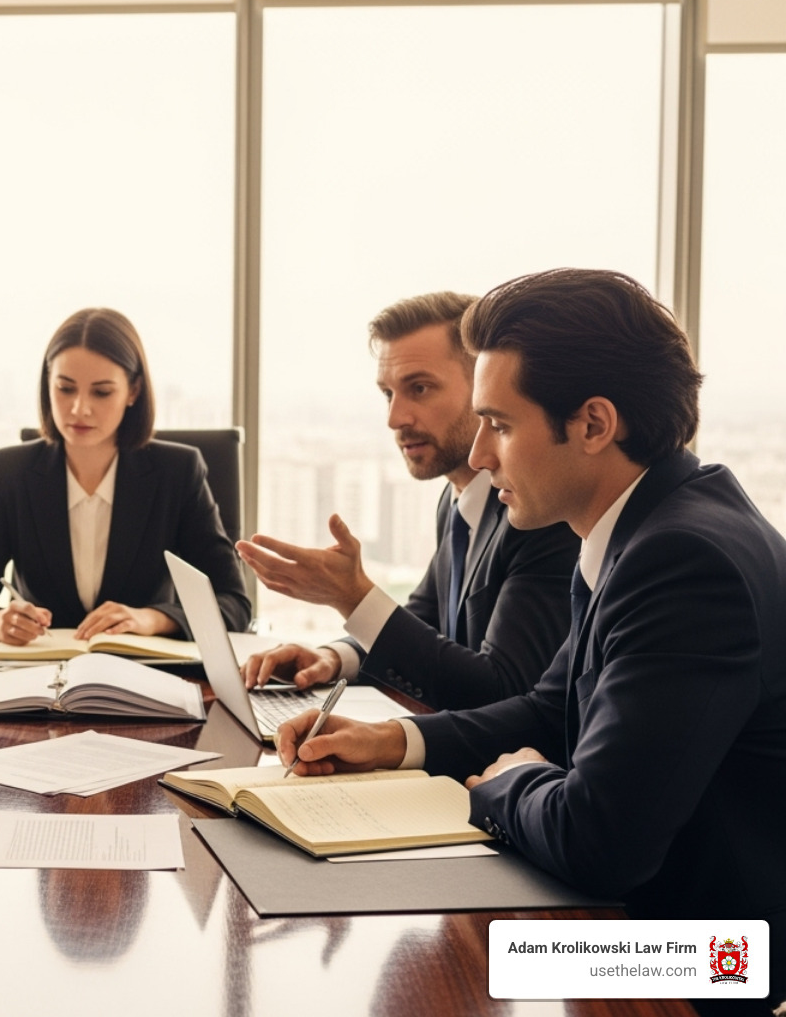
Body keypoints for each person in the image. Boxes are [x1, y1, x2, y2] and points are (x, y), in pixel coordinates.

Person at [277, 269, 786, 1015]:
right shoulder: (641, 527)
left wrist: (507, 785)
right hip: (653, 916)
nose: (480, 455)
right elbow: (551, 710)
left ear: (593, 424)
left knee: (412, 967)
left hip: (706, 957)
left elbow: (599, 841)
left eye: (502, 425)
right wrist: (393, 742)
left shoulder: (684, 562)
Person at [238, 293, 579, 708]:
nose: (395, 418)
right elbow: (425, 617)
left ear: (485, 387)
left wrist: (353, 597)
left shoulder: (541, 512)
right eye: (388, 393)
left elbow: (500, 688)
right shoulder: (457, 501)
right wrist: (334, 657)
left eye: (419, 388)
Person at [0, 307, 250, 648]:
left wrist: (150, 618)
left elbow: (233, 603)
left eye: (101, 392)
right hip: (43, 682)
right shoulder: (10, 472)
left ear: (133, 391)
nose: (79, 409)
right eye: (65, 389)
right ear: (48, 384)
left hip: (148, 683)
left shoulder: (177, 472)